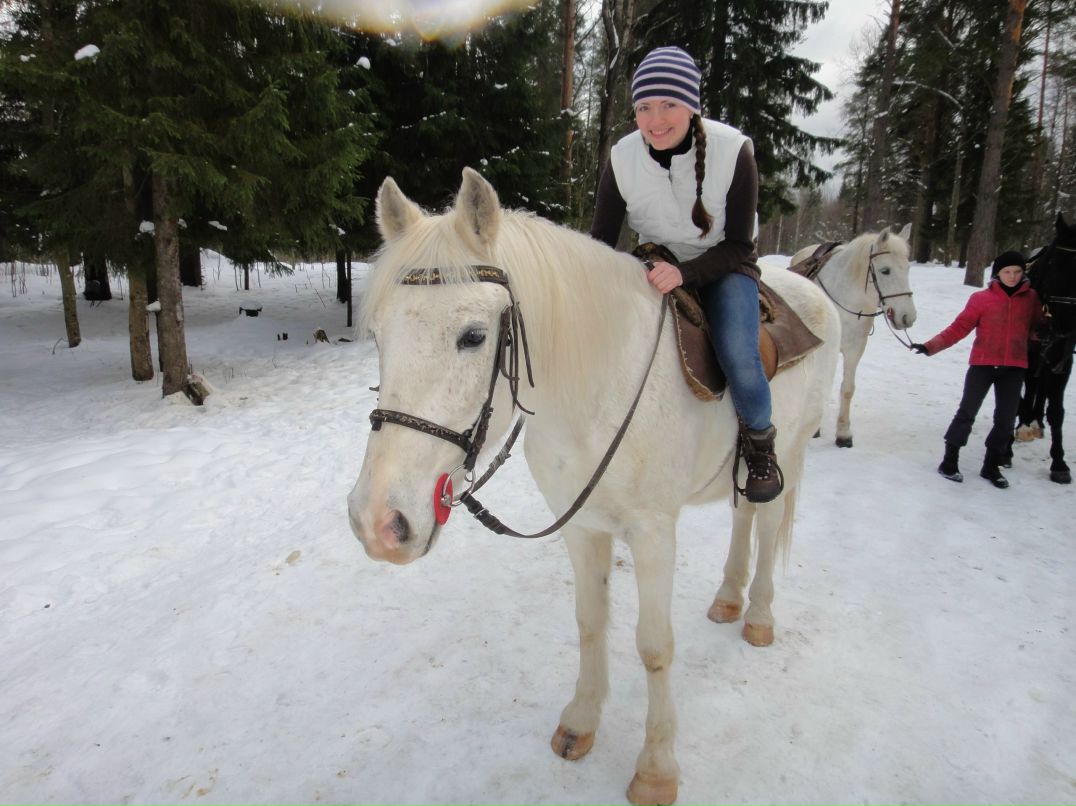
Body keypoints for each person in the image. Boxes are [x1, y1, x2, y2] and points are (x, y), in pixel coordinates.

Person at [589, 46, 781, 504]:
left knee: (739, 353)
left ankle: (760, 447)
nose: (655, 119)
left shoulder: (734, 151)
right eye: (643, 107)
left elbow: (739, 243)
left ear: (692, 104)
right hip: (652, 264)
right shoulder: (622, 157)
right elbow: (600, 240)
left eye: (668, 104)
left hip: (724, 265)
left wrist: (686, 273)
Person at [911, 251, 1046, 488]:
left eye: (1017, 272)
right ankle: (949, 460)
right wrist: (930, 346)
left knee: (1005, 421)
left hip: (1014, 368)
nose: (1012, 277)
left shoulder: (1032, 299)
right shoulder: (980, 299)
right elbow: (958, 328)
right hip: (982, 366)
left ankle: (991, 465)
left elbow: (1038, 330)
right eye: (1007, 272)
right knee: (966, 413)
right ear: (997, 274)